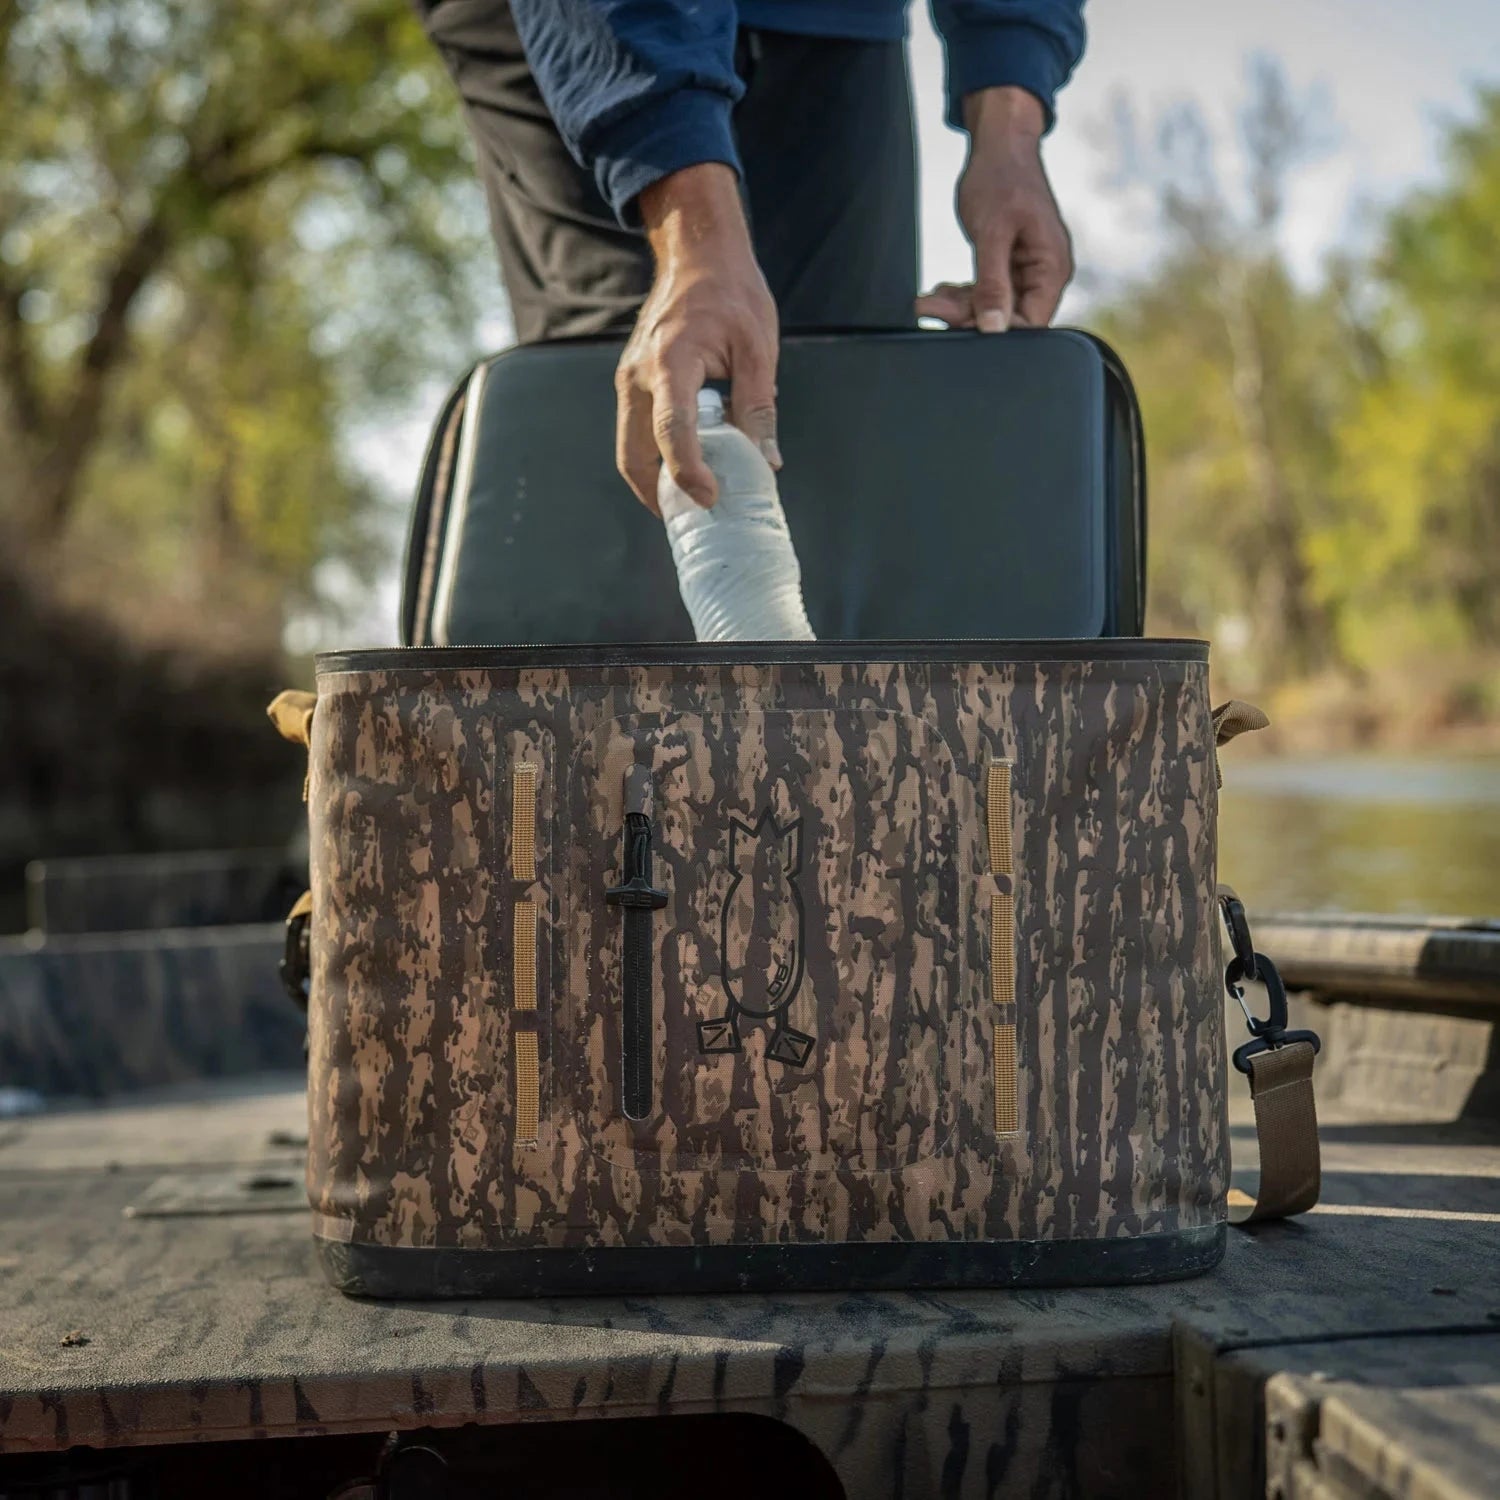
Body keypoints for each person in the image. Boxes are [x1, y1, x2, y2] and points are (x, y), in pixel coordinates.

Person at [415, 1, 1085, 509]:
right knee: (660, 437)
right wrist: (690, 226)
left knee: (832, 448)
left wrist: (1010, 116)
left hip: (833, 23)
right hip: (583, 28)